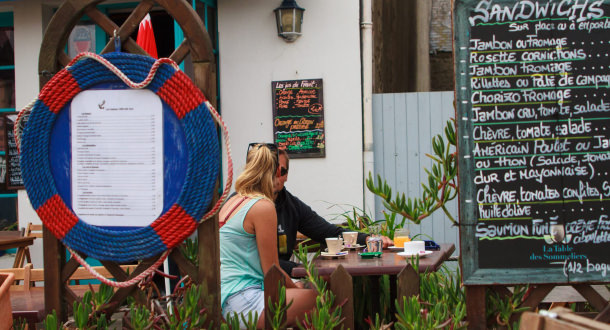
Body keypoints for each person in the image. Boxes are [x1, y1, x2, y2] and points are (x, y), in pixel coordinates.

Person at [219, 143, 317, 328]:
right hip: (245, 301)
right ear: (277, 172)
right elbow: (272, 271)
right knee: (319, 299)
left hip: (227, 298)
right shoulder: (262, 206)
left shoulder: (233, 202)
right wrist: (295, 287)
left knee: (305, 294)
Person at [274, 149, 393, 274]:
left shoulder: (291, 205)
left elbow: (328, 232)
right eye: (271, 170)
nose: (275, 176)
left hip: (282, 276)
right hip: (263, 281)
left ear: (286, 175)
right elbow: (263, 263)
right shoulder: (258, 206)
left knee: (329, 281)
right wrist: (303, 271)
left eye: (280, 171)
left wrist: (368, 239)